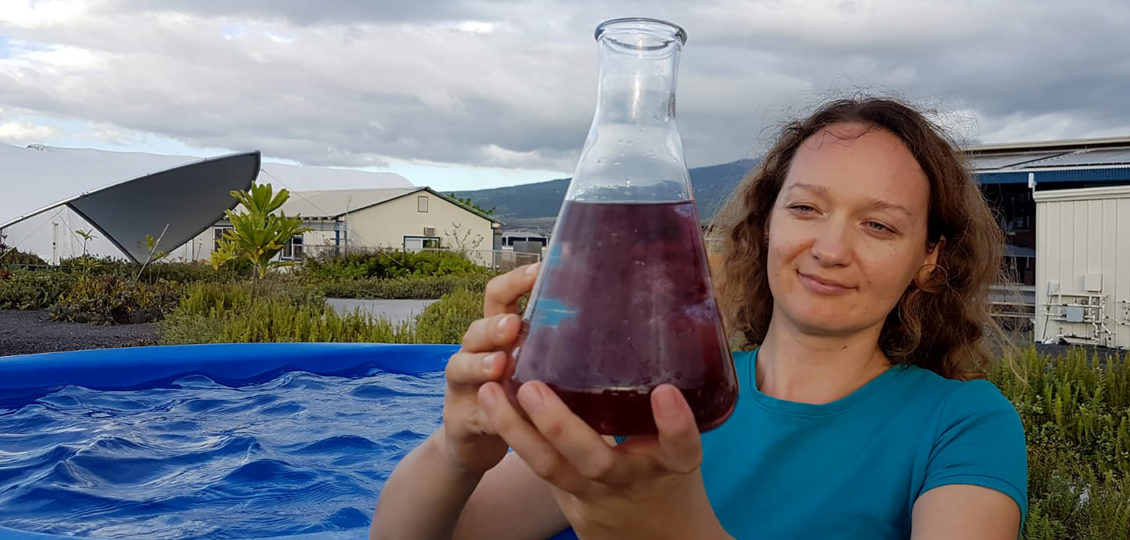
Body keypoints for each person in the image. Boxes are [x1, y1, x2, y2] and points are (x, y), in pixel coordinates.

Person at [369, 97, 1028, 540]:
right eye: (804, 209)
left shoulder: (962, 425)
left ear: (928, 259)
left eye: (879, 224)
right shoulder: (658, 395)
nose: (830, 249)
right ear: (766, 222)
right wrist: (457, 452)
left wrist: (674, 526)